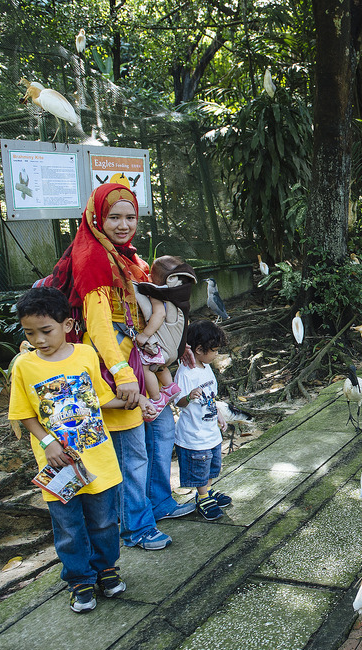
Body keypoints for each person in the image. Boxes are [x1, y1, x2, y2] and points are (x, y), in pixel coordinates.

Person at [42, 182, 195, 551]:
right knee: (131, 451)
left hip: (143, 362)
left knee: (160, 435)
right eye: (114, 217)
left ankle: (158, 502)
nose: (124, 224)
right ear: (98, 218)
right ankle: (135, 527)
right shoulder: (94, 259)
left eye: (130, 217)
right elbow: (99, 328)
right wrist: (122, 375)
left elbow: (147, 313)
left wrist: (177, 346)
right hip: (114, 369)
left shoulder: (128, 259)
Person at [9, 287, 145, 612]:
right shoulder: (24, 366)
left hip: (98, 460)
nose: (39, 339)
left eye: (46, 330)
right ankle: (79, 580)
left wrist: (133, 401)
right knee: (68, 528)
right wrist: (48, 443)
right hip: (58, 466)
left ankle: (106, 569)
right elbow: (23, 413)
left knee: (104, 522)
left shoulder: (85, 355)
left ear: (67, 324)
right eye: (30, 333)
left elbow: (99, 397)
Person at [174, 320, 232, 520]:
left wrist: (219, 415)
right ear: (199, 349)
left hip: (210, 429)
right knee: (199, 466)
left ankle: (208, 490)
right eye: (214, 350)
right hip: (194, 433)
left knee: (212, 464)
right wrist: (189, 396)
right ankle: (202, 497)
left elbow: (211, 396)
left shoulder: (206, 367)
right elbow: (178, 401)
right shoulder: (185, 372)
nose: (216, 354)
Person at [133, 255, 198, 416]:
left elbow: (160, 314)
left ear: (151, 278)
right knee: (160, 366)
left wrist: (145, 335)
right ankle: (170, 387)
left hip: (162, 347)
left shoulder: (158, 294)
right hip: (175, 348)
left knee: (146, 366)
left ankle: (156, 398)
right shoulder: (180, 296)